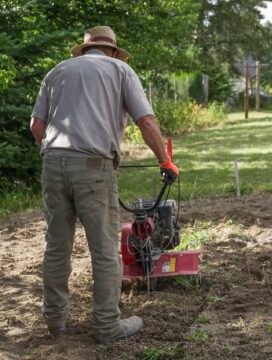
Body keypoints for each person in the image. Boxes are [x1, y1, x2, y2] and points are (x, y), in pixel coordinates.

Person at [30, 25, 179, 344]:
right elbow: (146, 121)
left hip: (53, 164)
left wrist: (53, 153)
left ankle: (55, 322)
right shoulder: (120, 70)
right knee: (104, 251)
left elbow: (36, 125)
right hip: (94, 167)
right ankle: (107, 326)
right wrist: (164, 161)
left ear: (85, 49)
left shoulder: (57, 71)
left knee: (56, 248)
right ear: (112, 50)